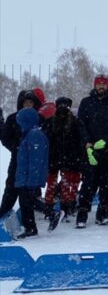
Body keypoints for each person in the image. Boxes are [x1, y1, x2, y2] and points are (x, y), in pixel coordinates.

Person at [76, 74, 108, 228]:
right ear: (94, 85)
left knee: (106, 184)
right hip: (90, 151)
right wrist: (87, 143)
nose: (101, 86)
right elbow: (81, 124)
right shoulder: (86, 102)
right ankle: (82, 214)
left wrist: (106, 140)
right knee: (88, 184)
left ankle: (103, 213)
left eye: (104, 84)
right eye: (99, 84)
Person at [44, 97, 85, 228]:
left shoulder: (75, 122)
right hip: (54, 157)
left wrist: (79, 156)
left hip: (71, 157)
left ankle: (68, 207)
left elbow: (80, 141)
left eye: (66, 105)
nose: (63, 108)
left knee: (70, 184)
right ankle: (49, 207)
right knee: (52, 183)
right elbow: (47, 140)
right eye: (60, 105)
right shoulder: (50, 122)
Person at [0, 91, 42, 221]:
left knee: (27, 193)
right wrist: (17, 148)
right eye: (25, 102)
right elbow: (5, 138)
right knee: (11, 189)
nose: (28, 104)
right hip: (17, 159)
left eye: (31, 102)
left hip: (33, 161)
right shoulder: (13, 118)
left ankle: (30, 221)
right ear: (21, 103)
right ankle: (3, 214)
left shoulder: (39, 118)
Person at [13, 107, 49, 239]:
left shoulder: (34, 135)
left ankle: (51, 214)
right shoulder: (29, 134)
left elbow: (36, 160)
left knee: (28, 201)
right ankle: (31, 227)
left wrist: (32, 179)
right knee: (26, 202)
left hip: (28, 177)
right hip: (24, 176)